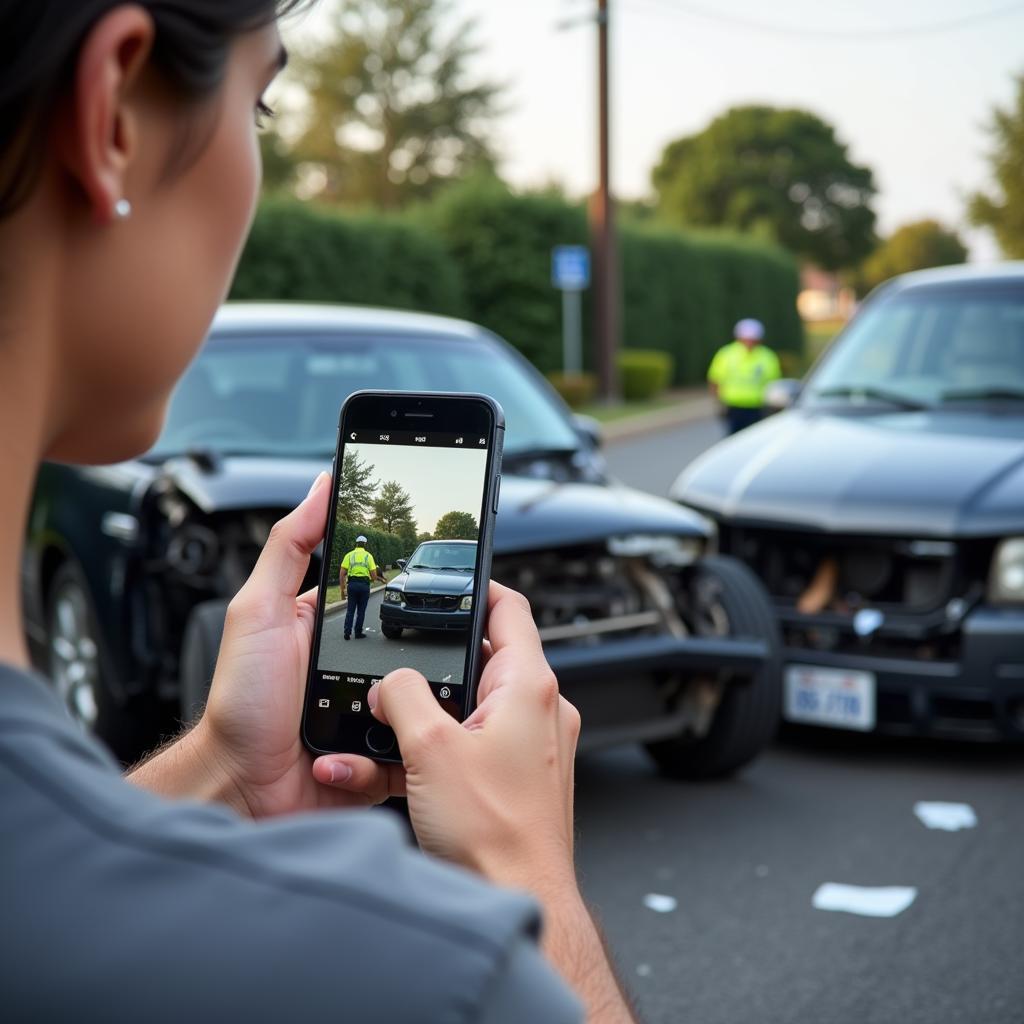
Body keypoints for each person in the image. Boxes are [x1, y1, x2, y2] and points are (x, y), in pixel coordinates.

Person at [0, 3, 635, 1022]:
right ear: (114, 114)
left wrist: (225, 768)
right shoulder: (431, 978)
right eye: (260, 105)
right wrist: (528, 872)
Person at [707, 317, 782, 434]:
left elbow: (773, 384)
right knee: (732, 441)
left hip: (758, 408)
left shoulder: (767, 356)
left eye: (752, 339)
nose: (749, 343)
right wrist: (718, 403)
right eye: (746, 339)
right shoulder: (726, 354)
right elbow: (715, 380)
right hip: (732, 406)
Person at [339, 534, 384, 640]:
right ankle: (358, 633)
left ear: (356, 544)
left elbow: (341, 574)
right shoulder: (368, 556)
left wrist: (342, 589)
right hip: (364, 586)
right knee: (361, 611)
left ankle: (347, 633)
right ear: (365, 545)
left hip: (352, 585)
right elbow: (373, 576)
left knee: (350, 610)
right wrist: (374, 579)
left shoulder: (349, 555)